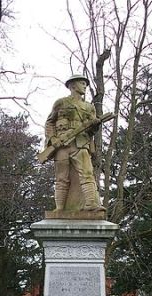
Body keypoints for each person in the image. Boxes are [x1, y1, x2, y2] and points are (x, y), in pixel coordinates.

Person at [44, 74, 106, 212]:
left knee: (87, 173)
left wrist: (95, 125)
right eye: (81, 83)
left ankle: (91, 204)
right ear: (72, 85)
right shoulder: (61, 103)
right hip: (62, 144)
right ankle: (60, 208)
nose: (84, 85)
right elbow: (50, 122)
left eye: (85, 83)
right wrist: (52, 139)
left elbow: (91, 130)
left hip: (81, 143)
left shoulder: (89, 107)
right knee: (61, 178)